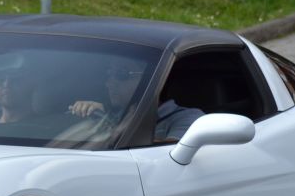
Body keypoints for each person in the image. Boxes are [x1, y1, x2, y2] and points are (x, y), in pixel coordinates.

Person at [68, 57, 204, 142]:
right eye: (109, 74)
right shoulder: (116, 115)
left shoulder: (190, 118)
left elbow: (168, 155)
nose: (109, 83)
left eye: (121, 74)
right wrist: (93, 115)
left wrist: (112, 127)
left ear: (154, 79)